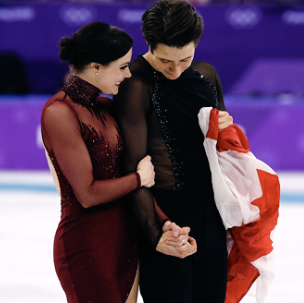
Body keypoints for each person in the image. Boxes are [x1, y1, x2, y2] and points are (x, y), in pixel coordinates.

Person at [40, 22, 195, 303]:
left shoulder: (107, 107)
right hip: (86, 246)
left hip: (125, 241)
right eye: (122, 66)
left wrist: (163, 222)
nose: (128, 74)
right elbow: (87, 195)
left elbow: (127, 174)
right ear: (96, 66)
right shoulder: (59, 112)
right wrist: (139, 178)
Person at [113, 0, 233, 302]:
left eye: (185, 59)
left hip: (214, 219)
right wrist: (157, 233)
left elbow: (224, 151)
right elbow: (132, 169)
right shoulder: (135, 82)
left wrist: (227, 130)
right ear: (149, 44)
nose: (176, 70)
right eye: (166, 61)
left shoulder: (206, 75)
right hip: (166, 218)